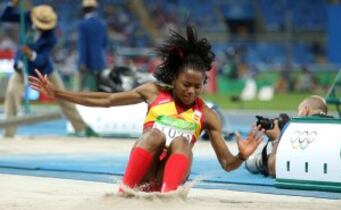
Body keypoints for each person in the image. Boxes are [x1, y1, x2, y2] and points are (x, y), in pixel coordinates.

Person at [29, 25, 263, 193]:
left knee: (182, 142)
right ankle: (126, 189)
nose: (191, 91)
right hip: (144, 172)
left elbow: (227, 164)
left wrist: (242, 156)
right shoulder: (153, 92)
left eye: (197, 86)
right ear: (173, 78)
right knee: (154, 135)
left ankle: (167, 196)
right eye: (186, 84)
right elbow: (106, 100)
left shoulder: (208, 116)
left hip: (169, 178)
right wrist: (58, 93)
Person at [0, 0, 96, 137]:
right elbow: (4, 17)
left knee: (63, 96)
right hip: (22, 68)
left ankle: (81, 128)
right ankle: (9, 133)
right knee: (11, 94)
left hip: (44, 71)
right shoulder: (27, 18)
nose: (41, 28)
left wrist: (31, 54)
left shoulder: (51, 37)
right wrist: (13, 4)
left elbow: (42, 60)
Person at [245, 95, 331, 178]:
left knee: (252, 162)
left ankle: (259, 161)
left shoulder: (301, 130)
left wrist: (277, 138)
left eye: (299, 111)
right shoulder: (336, 126)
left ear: (305, 110)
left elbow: (273, 169)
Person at [77, 0, 108, 91]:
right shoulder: (102, 24)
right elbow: (105, 43)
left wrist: (81, 62)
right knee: (101, 88)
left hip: (86, 61)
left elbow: (82, 45)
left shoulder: (82, 24)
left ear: (83, 10)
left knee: (82, 89)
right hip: (100, 61)